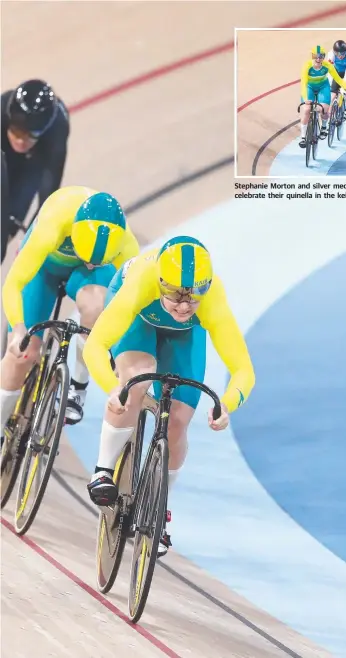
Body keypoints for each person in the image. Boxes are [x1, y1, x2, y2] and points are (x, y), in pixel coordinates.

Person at [83, 236, 255, 556]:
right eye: (175, 295)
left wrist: (226, 404)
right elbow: (95, 345)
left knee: (177, 421)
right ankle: (103, 470)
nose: (184, 305)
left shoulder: (213, 297)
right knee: (135, 379)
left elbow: (244, 370)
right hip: (137, 321)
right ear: (161, 283)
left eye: (193, 297)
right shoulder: (142, 284)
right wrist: (112, 386)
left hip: (184, 338)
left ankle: (160, 509)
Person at [0, 185, 140, 439]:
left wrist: (120, 350)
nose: (89, 261)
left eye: (96, 260)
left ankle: (78, 384)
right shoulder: (54, 223)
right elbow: (14, 283)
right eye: (85, 255)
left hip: (87, 278)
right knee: (22, 354)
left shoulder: (126, 244)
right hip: (45, 268)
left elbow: (134, 304)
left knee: (98, 307)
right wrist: (18, 328)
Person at [1, 79, 70, 264]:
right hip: (4, 152)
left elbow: (48, 199)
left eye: (30, 135)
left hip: (35, 160)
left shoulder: (57, 131)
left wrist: (32, 245)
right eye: (16, 131)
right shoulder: (1, 110)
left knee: (6, 228)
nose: (21, 141)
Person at [299, 45, 346, 148]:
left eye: (321, 57)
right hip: (309, 87)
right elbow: (303, 84)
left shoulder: (327, 66)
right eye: (316, 56)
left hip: (323, 87)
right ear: (312, 56)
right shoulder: (307, 66)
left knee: (323, 109)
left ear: (323, 57)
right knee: (306, 110)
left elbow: (339, 80)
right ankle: (302, 137)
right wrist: (306, 99)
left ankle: (324, 127)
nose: (318, 59)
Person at [327, 39, 346, 113]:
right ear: (334, 52)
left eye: (343, 53)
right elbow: (330, 71)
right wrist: (331, 83)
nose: (340, 56)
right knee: (332, 94)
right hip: (337, 71)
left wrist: (344, 84)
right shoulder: (331, 55)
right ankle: (329, 114)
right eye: (338, 54)